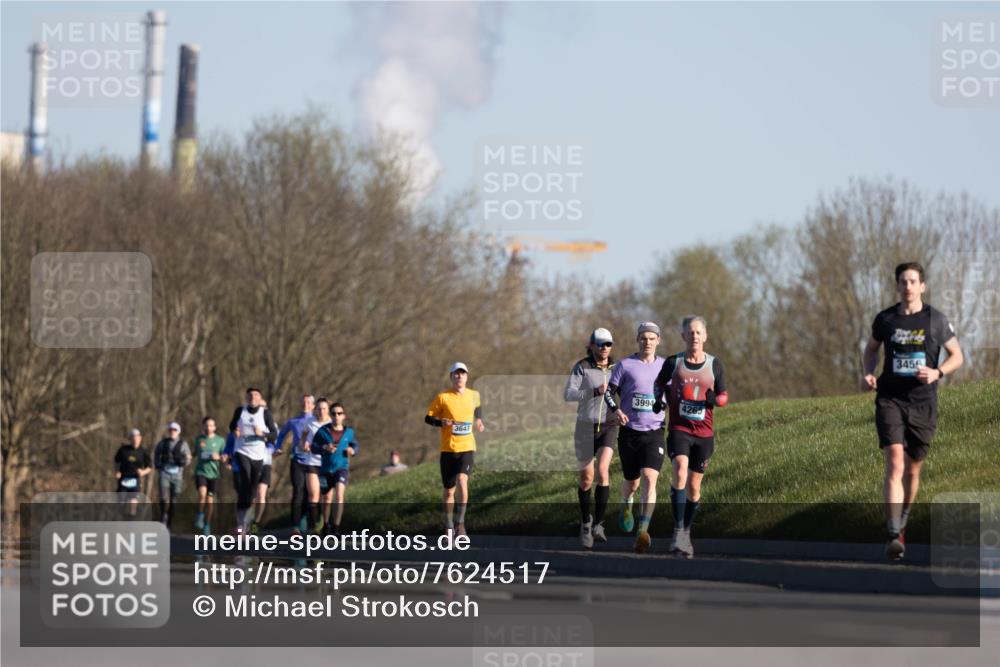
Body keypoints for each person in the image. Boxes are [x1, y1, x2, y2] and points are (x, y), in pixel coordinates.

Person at [862, 262, 963, 560]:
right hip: (890, 398)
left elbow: (957, 355)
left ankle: (903, 517)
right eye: (903, 282)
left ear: (922, 286)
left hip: (923, 402)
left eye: (913, 281)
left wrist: (938, 373)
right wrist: (868, 373)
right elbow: (870, 350)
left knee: (914, 468)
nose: (908, 286)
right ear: (897, 286)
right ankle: (893, 532)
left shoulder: (936, 320)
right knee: (895, 462)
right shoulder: (886, 319)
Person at [653, 316, 729, 558]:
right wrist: (659, 399)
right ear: (683, 336)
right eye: (690, 332)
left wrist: (713, 400)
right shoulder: (674, 362)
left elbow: (724, 396)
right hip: (679, 429)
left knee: (694, 489)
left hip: (704, 434)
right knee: (680, 469)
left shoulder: (715, 364)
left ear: (705, 336)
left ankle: (686, 530)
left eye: (699, 332)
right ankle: (677, 531)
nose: (695, 336)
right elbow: (658, 384)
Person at [604, 322, 666, 553]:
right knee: (632, 483)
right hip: (630, 432)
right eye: (643, 338)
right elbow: (609, 393)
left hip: (655, 431)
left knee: (650, 478)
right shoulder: (624, 365)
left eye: (651, 338)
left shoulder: (664, 366)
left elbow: (673, 392)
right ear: (637, 340)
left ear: (658, 340)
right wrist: (616, 411)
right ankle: (626, 504)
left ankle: (643, 531)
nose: (647, 342)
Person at [564, 327, 618, 549]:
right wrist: (593, 392)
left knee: (603, 471)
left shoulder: (617, 368)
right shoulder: (582, 367)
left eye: (608, 344)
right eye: (600, 344)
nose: (605, 348)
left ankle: (599, 524)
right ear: (592, 345)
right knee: (587, 477)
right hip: (585, 427)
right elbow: (569, 394)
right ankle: (586, 521)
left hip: (609, 426)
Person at [425, 362, 484, 537]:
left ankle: (461, 523)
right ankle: (449, 525)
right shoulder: (443, 397)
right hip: (448, 449)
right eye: (456, 374)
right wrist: (440, 422)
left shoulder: (474, 395)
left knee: (462, 480)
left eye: (462, 374)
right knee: (449, 490)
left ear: (467, 377)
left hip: (467, 447)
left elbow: (478, 408)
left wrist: (479, 420)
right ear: (451, 377)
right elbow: (428, 418)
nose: (459, 377)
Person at [227, 387, 278, 534]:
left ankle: (247, 521)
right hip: (241, 451)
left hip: (258, 455)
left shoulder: (265, 413)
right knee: (245, 479)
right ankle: (241, 523)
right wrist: (234, 430)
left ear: (260, 398)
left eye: (256, 395)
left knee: (252, 491)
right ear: (247, 397)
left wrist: (262, 434)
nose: (253, 397)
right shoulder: (240, 411)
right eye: (250, 395)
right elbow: (232, 425)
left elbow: (274, 435)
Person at [312, 402, 359, 535]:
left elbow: (356, 446)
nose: (336, 416)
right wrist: (324, 448)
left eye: (339, 413)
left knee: (339, 495)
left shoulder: (349, 432)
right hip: (325, 469)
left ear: (344, 416)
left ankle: (336, 527)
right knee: (326, 498)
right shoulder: (322, 431)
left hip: (341, 468)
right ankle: (326, 525)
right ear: (330, 415)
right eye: (333, 413)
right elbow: (313, 447)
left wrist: (352, 450)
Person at [275, 394, 316, 531]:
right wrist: (278, 447)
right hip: (297, 459)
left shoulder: (316, 421)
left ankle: (305, 518)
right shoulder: (293, 421)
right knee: (298, 490)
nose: (306, 405)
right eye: (304, 402)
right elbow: (281, 434)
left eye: (309, 402)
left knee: (309, 493)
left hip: (313, 461)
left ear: (313, 406)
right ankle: (296, 526)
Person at [300, 397, 334, 534]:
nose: (321, 411)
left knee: (327, 497)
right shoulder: (310, 422)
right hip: (312, 462)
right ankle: (314, 528)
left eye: (324, 408)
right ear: (315, 410)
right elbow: (304, 435)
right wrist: (305, 444)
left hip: (328, 464)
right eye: (319, 408)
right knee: (314, 495)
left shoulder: (332, 423)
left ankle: (326, 524)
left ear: (328, 410)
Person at [153, 422, 191, 528]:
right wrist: (157, 465)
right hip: (164, 473)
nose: (172, 432)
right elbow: (156, 453)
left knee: (174, 500)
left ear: (178, 432)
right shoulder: (163, 443)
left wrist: (184, 462)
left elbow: (188, 458)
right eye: (170, 430)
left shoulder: (183, 444)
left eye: (174, 430)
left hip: (177, 475)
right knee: (164, 498)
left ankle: (170, 521)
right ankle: (163, 517)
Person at [193, 417, 226, 535]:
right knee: (202, 494)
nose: (209, 427)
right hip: (201, 472)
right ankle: (200, 515)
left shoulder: (220, 441)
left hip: (214, 474)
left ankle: (207, 524)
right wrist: (187, 456)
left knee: (210, 501)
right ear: (203, 426)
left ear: (215, 427)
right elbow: (193, 453)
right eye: (206, 425)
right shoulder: (199, 439)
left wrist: (219, 457)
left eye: (211, 425)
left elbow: (225, 457)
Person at [114, 428, 152, 514]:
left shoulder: (143, 452)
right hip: (123, 478)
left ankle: (132, 519)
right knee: (121, 502)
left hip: (135, 479)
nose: (135, 440)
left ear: (140, 438)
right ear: (130, 439)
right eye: (133, 438)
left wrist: (143, 472)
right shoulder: (123, 450)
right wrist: (117, 471)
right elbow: (116, 461)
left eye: (137, 438)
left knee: (133, 502)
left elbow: (150, 467)